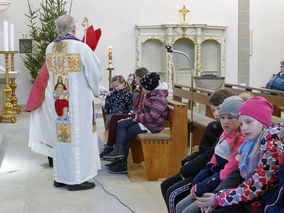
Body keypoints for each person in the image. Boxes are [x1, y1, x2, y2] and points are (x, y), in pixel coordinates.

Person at [32, 15, 103, 191]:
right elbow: (95, 72)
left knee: (62, 141)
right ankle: (76, 179)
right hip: (78, 107)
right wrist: (95, 90)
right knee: (79, 141)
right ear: (73, 28)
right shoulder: (80, 47)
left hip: (60, 104)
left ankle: (61, 177)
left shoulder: (50, 48)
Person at [196, 97, 284, 213]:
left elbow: (255, 187)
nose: (244, 128)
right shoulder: (252, 141)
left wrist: (218, 198)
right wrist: (218, 196)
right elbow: (240, 175)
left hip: (263, 200)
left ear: (262, 121)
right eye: (241, 124)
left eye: (249, 122)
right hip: (254, 195)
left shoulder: (272, 146)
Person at [160, 89, 234, 213]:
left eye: (219, 109)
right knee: (166, 185)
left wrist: (189, 171)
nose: (216, 114)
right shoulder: (216, 127)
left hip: (210, 175)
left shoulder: (229, 132)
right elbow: (205, 152)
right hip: (204, 170)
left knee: (173, 193)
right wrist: (188, 161)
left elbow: (211, 156)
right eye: (214, 110)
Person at [175, 96, 245, 213]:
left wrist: (203, 186)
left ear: (239, 118)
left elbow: (227, 171)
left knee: (187, 210)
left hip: (220, 184)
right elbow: (212, 160)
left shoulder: (240, 139)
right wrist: (198, 181)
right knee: (180, 206)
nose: (225, 121)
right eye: (222, 117)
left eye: (230, 117)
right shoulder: (225, 133)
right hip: (212, 177)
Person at [103, 72, 169, 174]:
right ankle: (118, 156)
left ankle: (122, 164)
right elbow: (142, 109)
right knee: (120, 124)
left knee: (126, 133)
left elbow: (152, 117)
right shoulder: (151, 93)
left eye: (143, 86)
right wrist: (134, 115)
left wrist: (136, 117)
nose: (141, 87)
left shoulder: (159, 98)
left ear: (149, 86)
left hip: (151, 126)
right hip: (144, 122)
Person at [99, 67, 149, 158]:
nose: (133, 79)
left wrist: (132, 114)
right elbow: (136, 105)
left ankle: (115, 150)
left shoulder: (137, 91)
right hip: (133, 114)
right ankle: (113, 148)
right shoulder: (140, 89)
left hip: (136, 117)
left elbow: (135, 106)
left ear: (139, 78)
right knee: (113, 119)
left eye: (134, 78)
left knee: (118, 122)